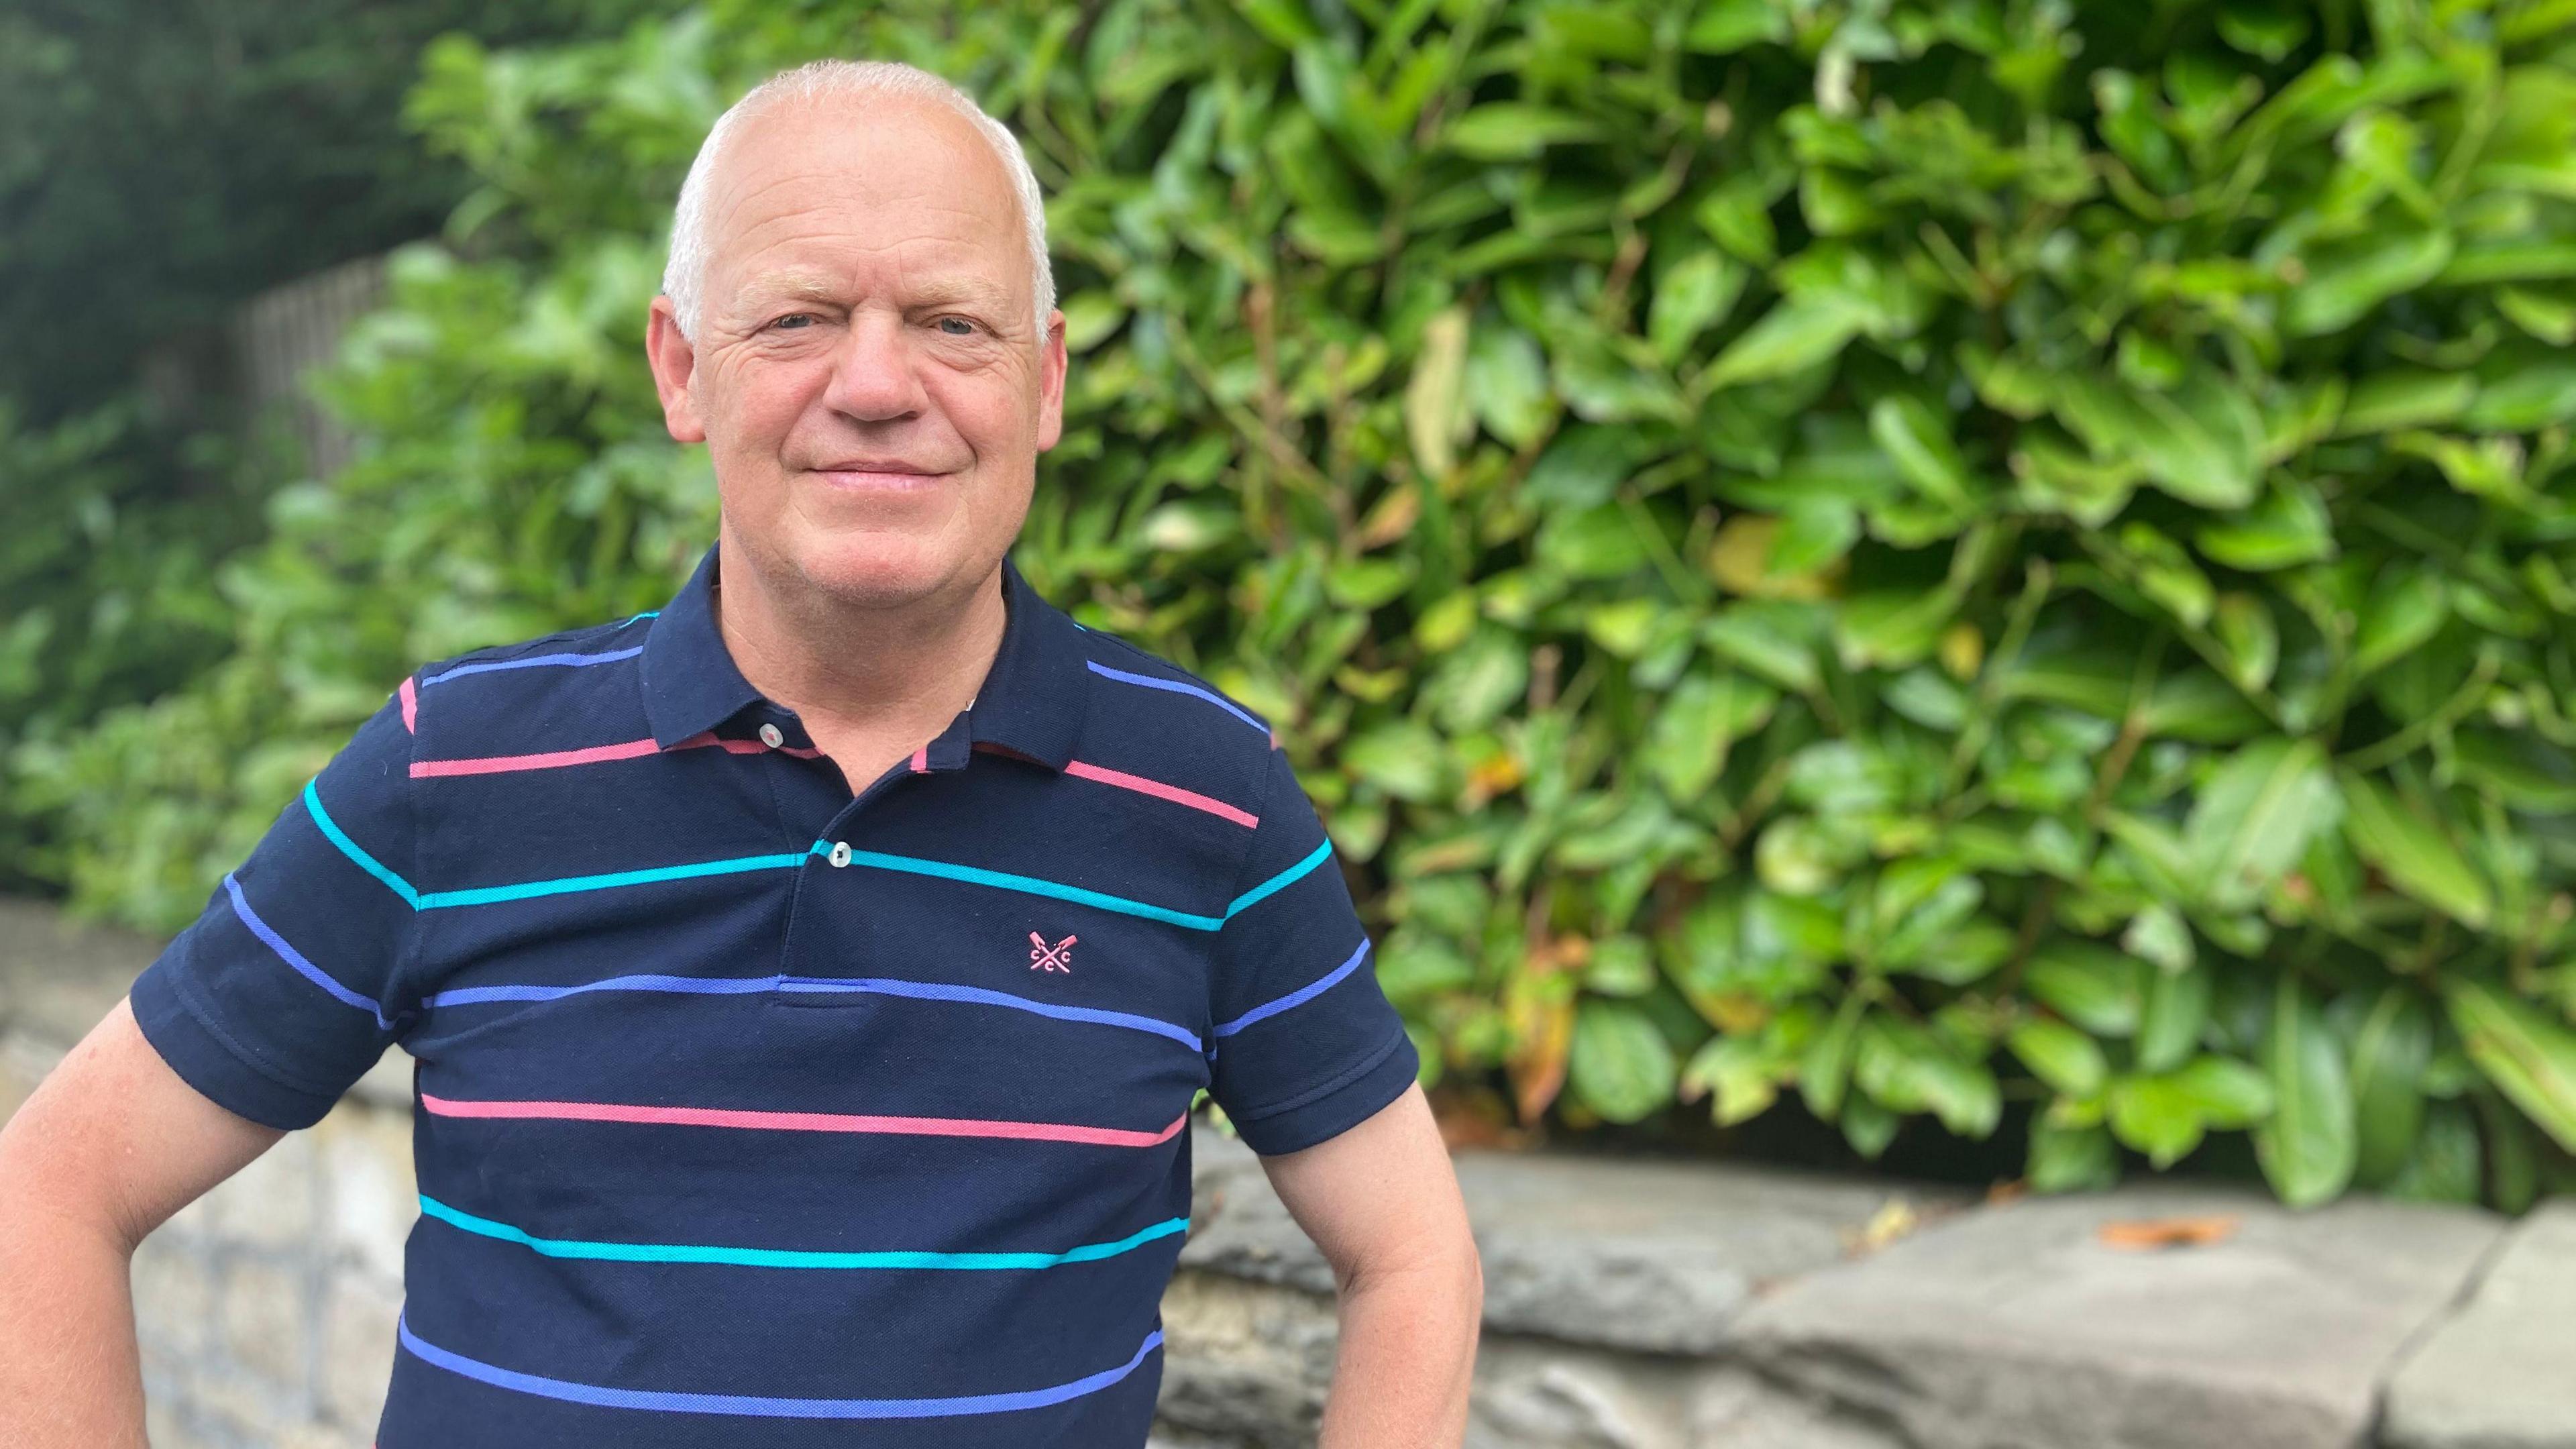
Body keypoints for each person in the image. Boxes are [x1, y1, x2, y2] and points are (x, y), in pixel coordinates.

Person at [0, 58, 1482, 1448]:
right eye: (798, 319)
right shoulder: (454, 772)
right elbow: (53, 1188)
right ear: (682, 369)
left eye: (954, 323)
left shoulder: (1204, 799)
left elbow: (1413, 1256)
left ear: (1046, 380)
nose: (879, 384)